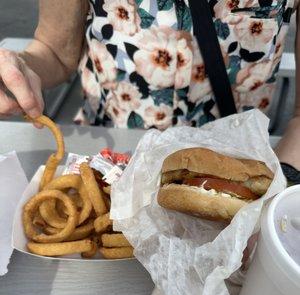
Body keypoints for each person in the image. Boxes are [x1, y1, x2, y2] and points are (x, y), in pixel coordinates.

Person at [0, 0, 299, 180]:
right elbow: (53, 51)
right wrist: (17, 71)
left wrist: (283, 181)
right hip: (106, 161)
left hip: (235, 167)